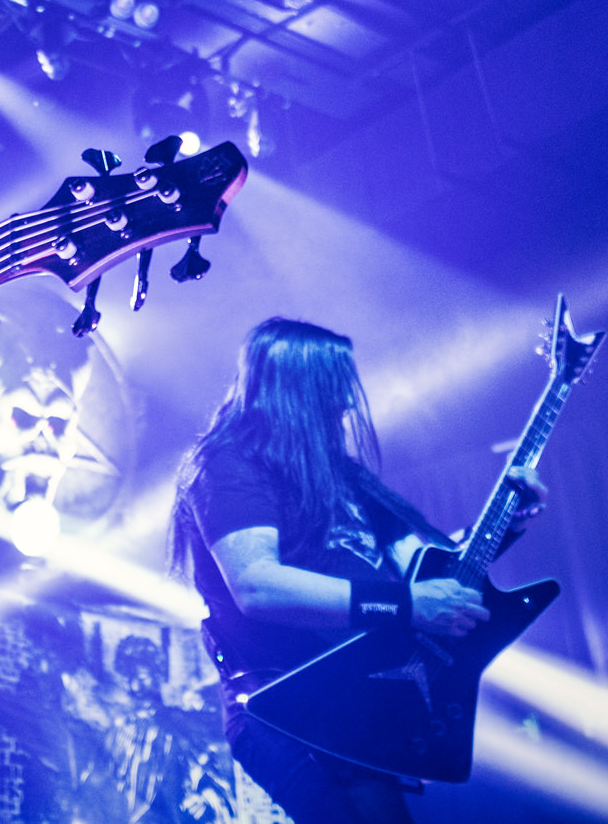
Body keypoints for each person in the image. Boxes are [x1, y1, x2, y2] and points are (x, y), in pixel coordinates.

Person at [171, 318, 543, 824]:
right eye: (335, 385)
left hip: (355, 699)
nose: (348, 401)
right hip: (281, 704)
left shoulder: (344, 478)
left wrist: (505, 525)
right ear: (297, 387)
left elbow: (433, 571)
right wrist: (406, 607)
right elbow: (257, 584)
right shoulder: (229, 465)